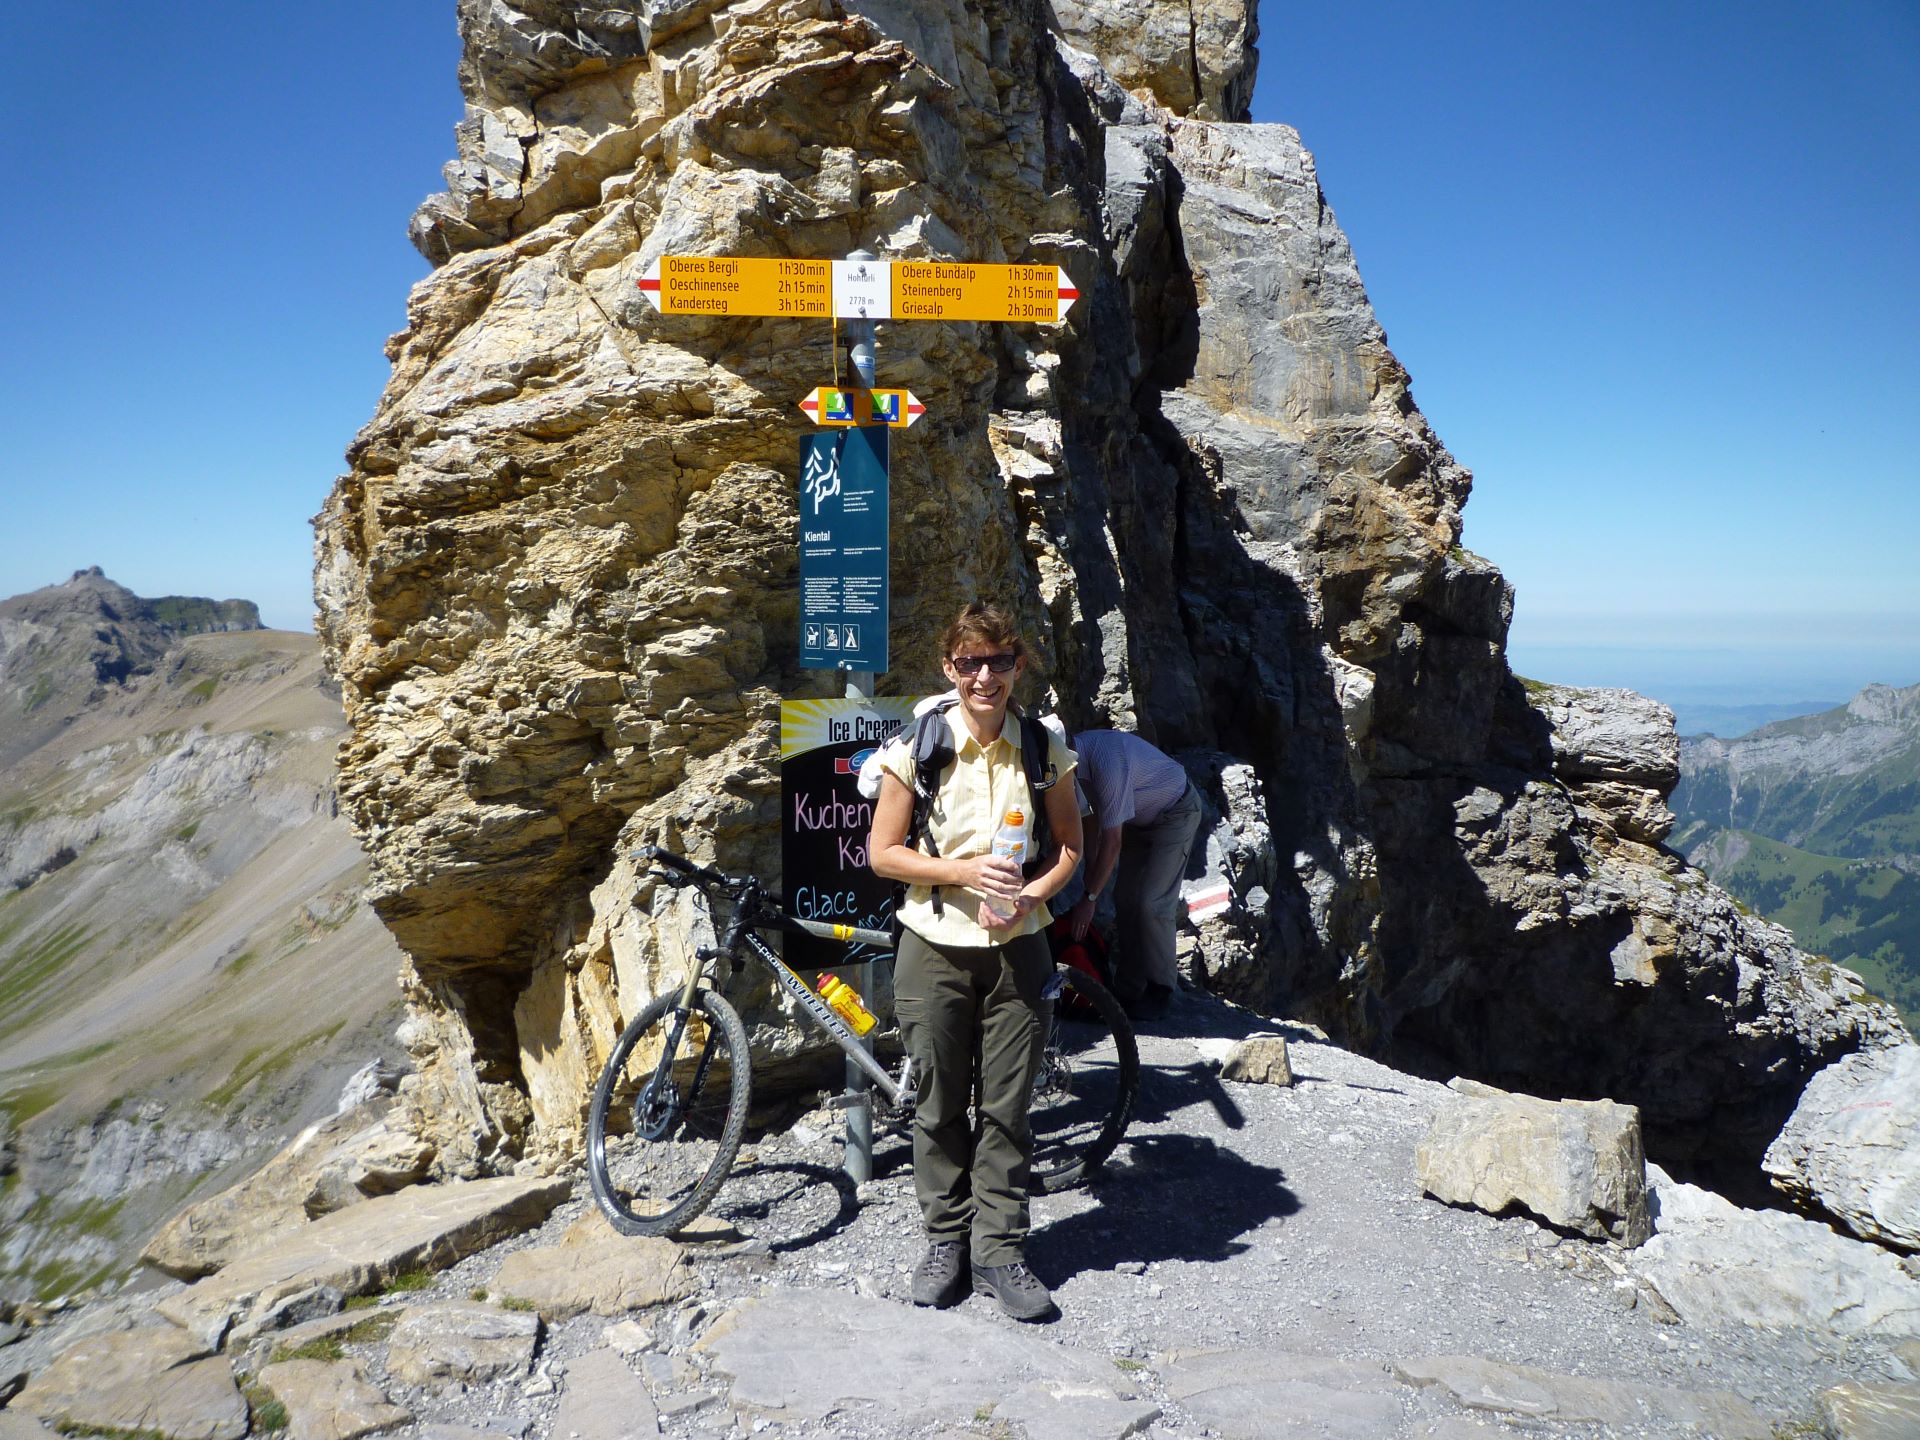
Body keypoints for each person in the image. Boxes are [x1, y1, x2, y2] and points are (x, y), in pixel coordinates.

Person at [867, 602, 1082, 1321]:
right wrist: (962, 873)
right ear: (948, 667)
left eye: (997, 660)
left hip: (1019, 950)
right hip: (933, 951)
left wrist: (1033, 897)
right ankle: (945, 1243)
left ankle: (1000, 1249)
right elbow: (882, 853)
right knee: (936, 1107)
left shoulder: (1042, 747)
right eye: (969, 663)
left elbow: (1070, 849)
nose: (983, 676)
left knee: (1008, 1108)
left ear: (1018, 664)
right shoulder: (918, 748)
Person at [1062, 729, 1203, 1021]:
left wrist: (1089, 897)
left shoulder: (1106, 761)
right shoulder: (1074, 763)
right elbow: (1088, 817)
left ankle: (1161, 989)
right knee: (1125, 900)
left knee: (1152, 903)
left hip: (1177, 812)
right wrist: (1091, 872)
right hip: (1139, 820)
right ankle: (1129, 988)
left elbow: (1112, 842)